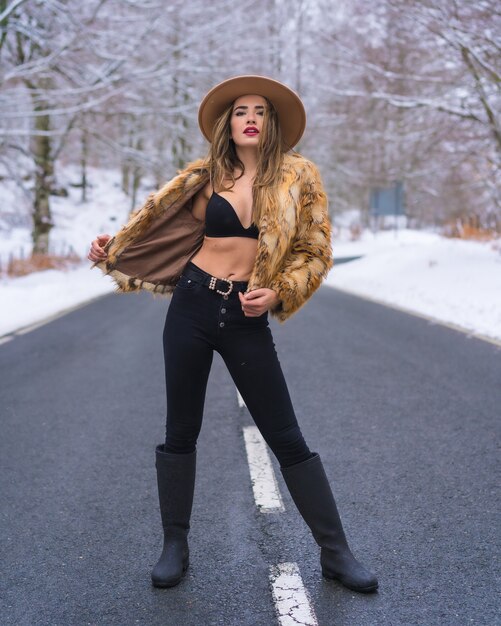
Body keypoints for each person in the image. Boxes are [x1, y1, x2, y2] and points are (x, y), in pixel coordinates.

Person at [88, 75, 378, 593]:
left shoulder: (298, 177)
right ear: (228, 122)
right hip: (193, 305)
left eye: (261, 111)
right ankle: (174, 545)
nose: (250, 117)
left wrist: (279, 291)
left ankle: (336, 552)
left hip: (247, 316)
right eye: (241, 109)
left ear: (272, 123)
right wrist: (116, 247)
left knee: (285, 436)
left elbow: (316, 251)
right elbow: (161, 224)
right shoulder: (205, 176)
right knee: (182, 429)